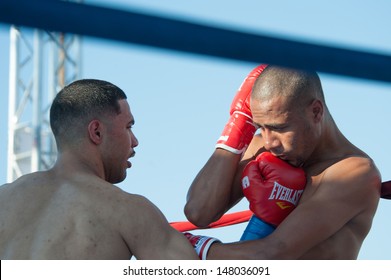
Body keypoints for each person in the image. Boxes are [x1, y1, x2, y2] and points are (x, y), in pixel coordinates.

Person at [185, 65, 382, 259]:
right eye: (259, 126)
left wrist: (188, 249)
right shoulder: (263, 146)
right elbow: (199, 212)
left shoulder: (354, 172)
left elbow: (274, 253)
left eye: (279, 128)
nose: (270, 142)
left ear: (316, 112)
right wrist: (239, 123)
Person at [0, 79, 198, 260]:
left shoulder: (4, 198)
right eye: (129, 127)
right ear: (96, 132)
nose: (135, 141)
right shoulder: (127, 209)